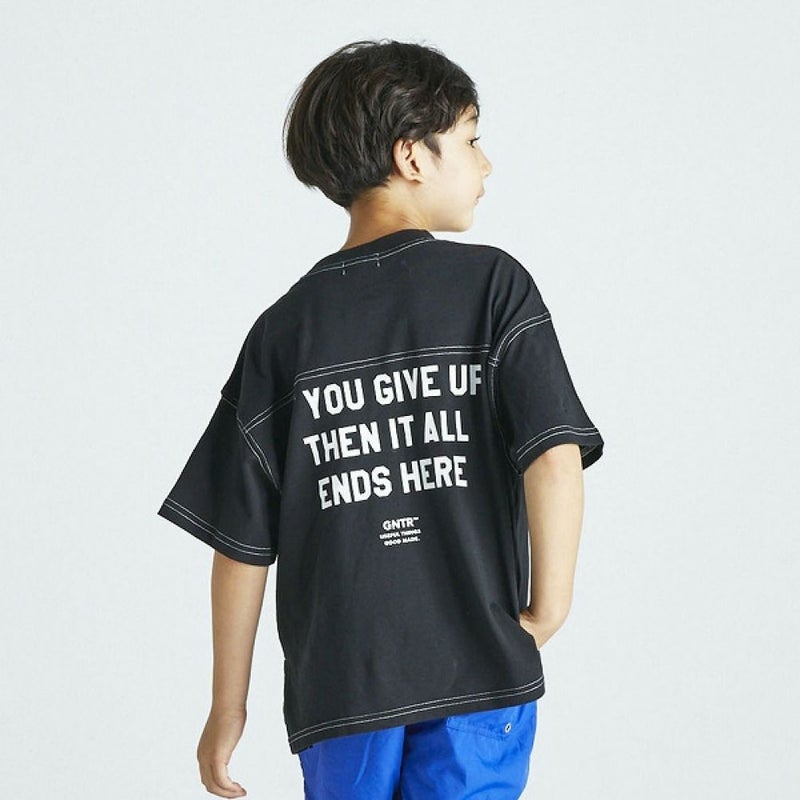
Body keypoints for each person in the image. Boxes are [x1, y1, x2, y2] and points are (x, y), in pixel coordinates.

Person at [156, 38, 604, 800]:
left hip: (342, 686)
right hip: (477, 668)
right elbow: (553, 456)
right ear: (412, 156)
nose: (486, 163)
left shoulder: (284, 331)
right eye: (471, 139)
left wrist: (228, 705)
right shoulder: (494, 289)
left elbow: (241, 543)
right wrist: (548, 610)